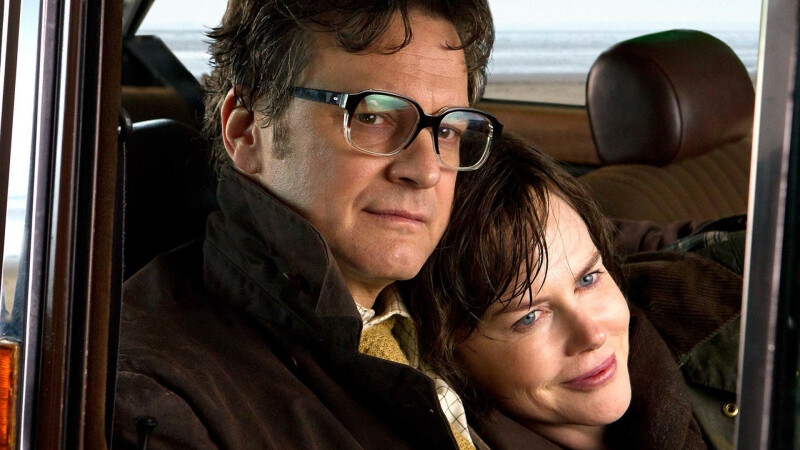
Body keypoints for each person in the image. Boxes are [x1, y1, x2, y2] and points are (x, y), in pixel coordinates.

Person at [113, 1, 500, 448]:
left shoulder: (476, 317)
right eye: (372, 116)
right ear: (246, 129)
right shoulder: (154, 398)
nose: (427, 170)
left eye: (447, 131)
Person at [405, 133, 742, 449]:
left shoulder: (732, 305)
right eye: (529, 317)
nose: (592, 335)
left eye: (588, 279)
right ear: (449, 351)